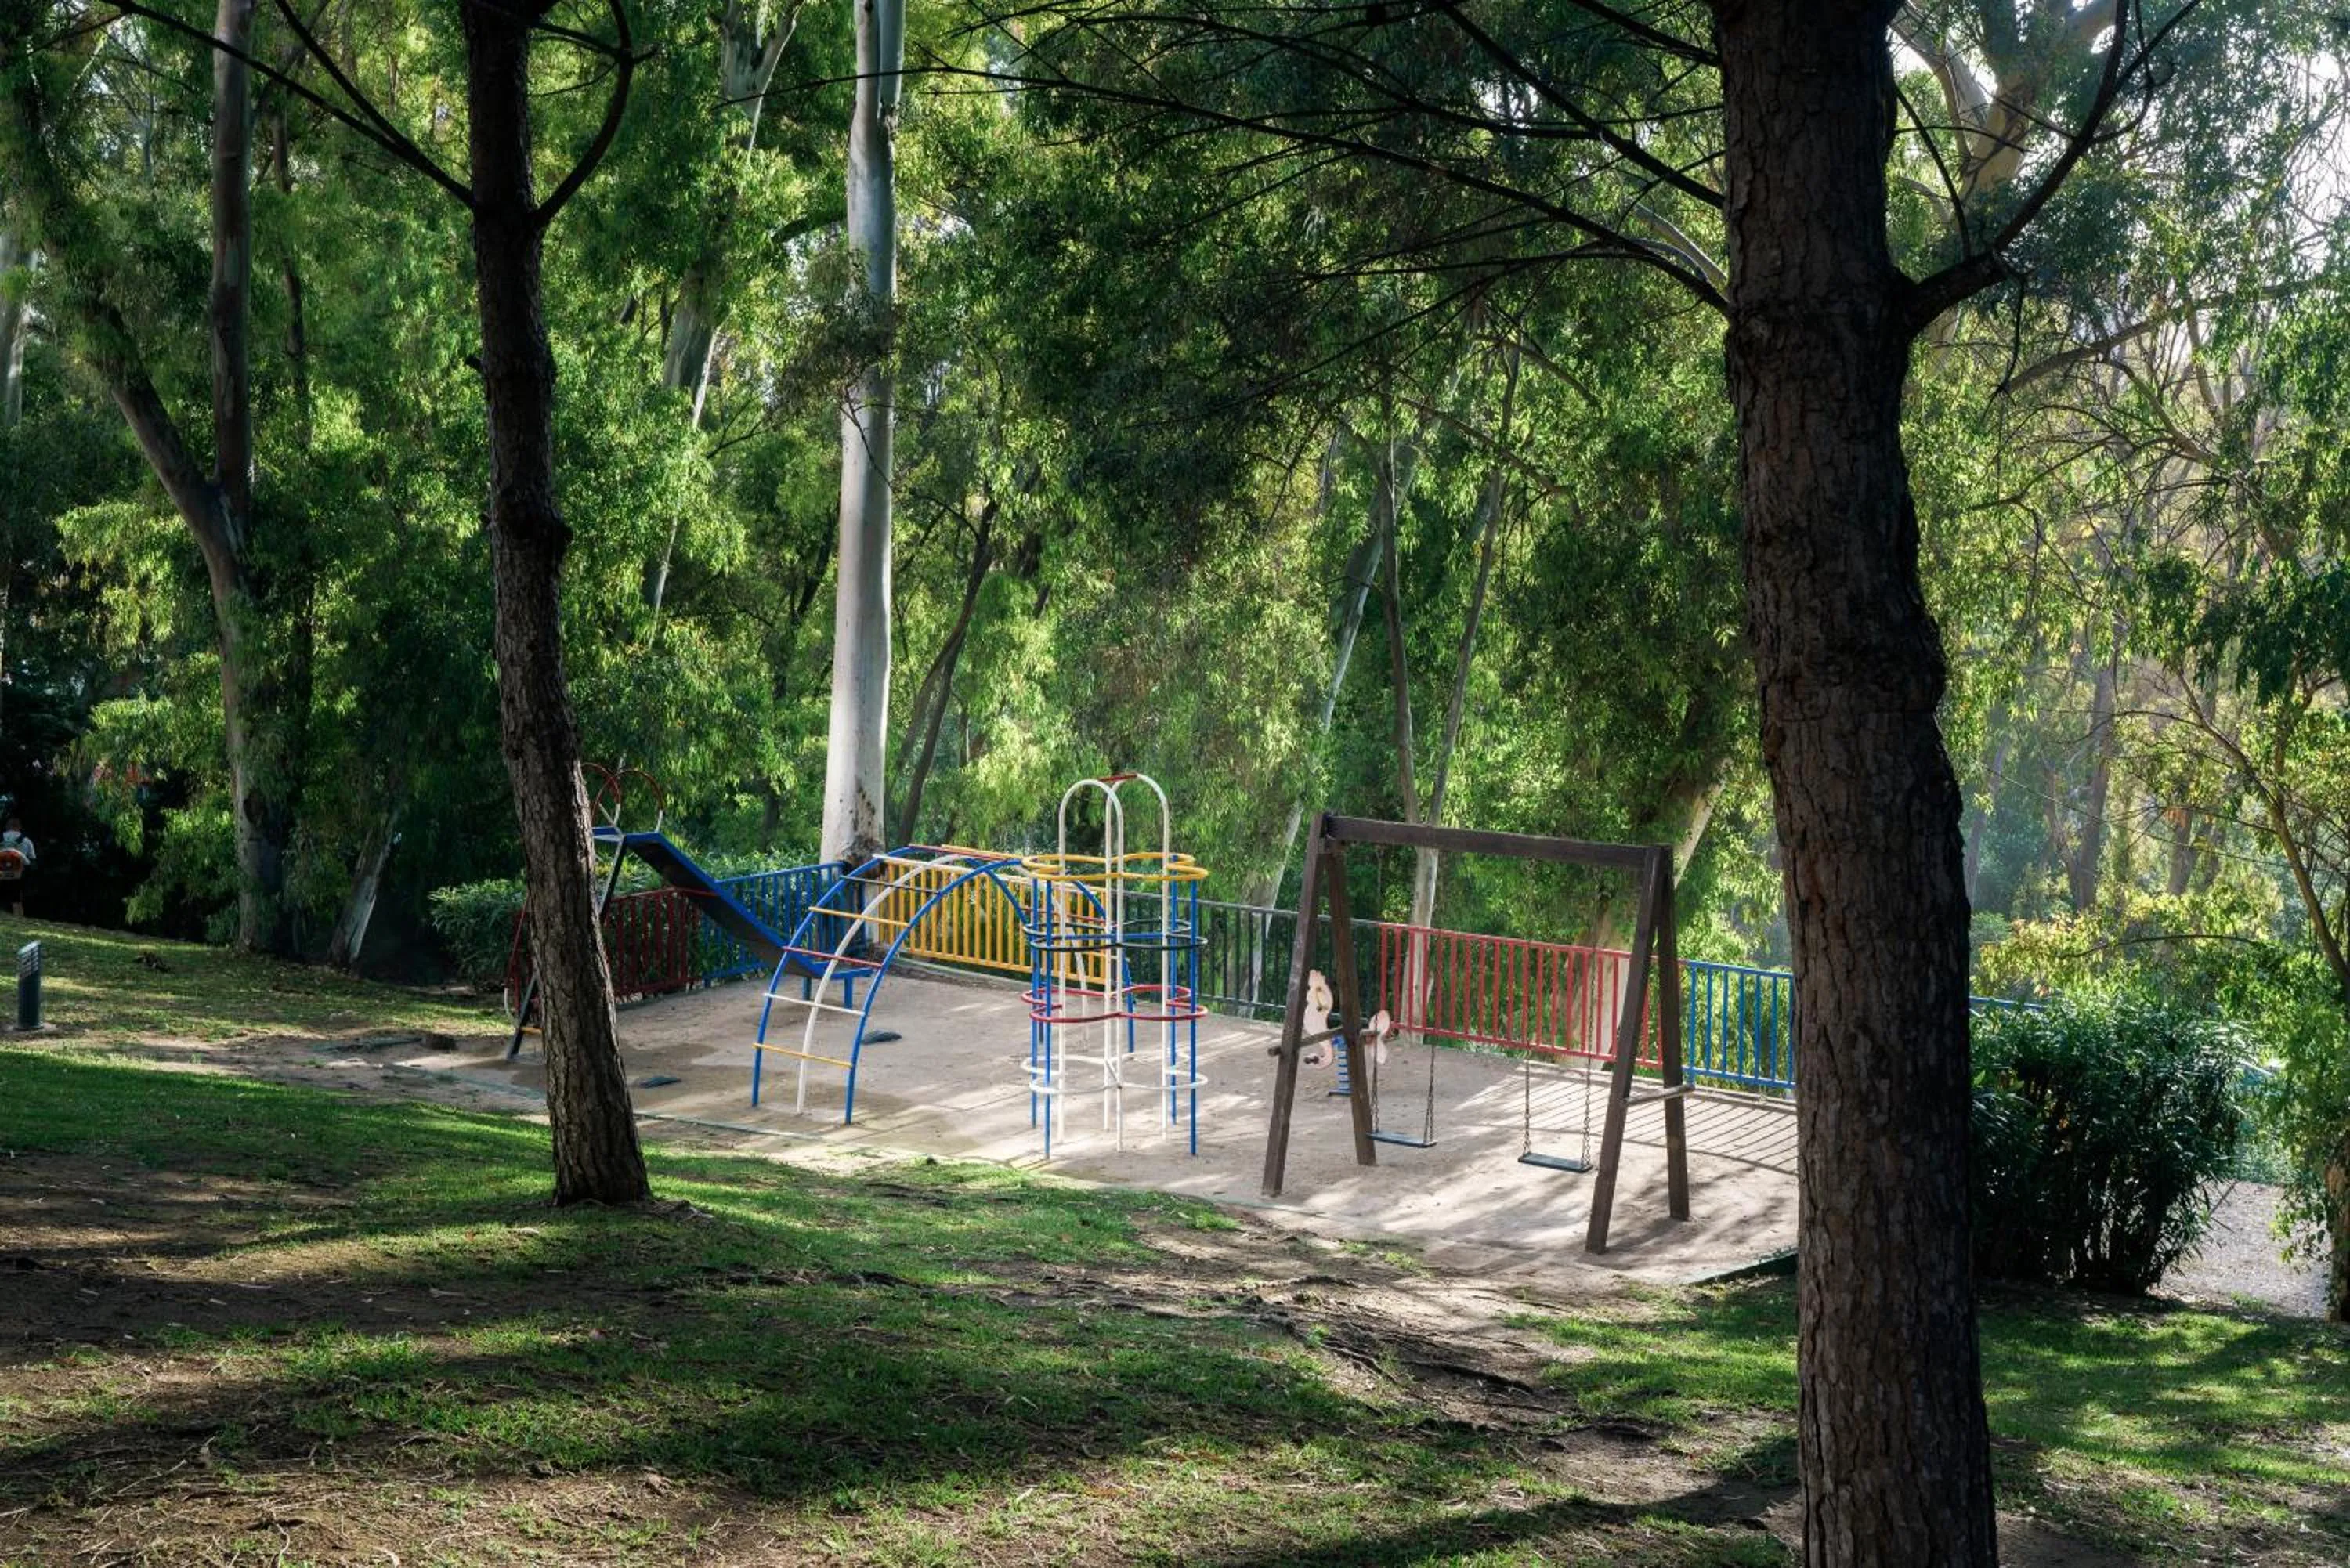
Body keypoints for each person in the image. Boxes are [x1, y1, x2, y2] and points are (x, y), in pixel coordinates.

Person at [0, 817, 35, 918]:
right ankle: (19, 919)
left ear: (7, 827)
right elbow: (32, 858)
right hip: (17, 873)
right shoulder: (26, 840)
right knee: (16, 898)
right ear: (19, 827)